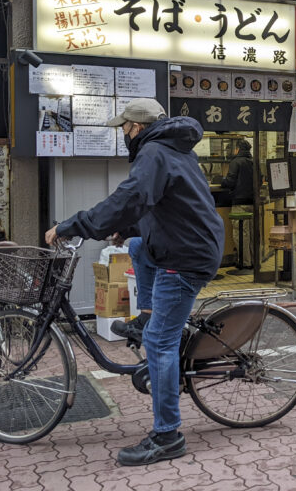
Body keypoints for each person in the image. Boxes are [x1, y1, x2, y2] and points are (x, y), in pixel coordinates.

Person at [44, 97, 224, 467]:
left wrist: (71, 225)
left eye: (124, 127)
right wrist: (124, 230)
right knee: (139, 246)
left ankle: (167, 435)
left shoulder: (155, 152)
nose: (123, 134)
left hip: (184, 257)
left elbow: (129, 198)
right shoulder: (174, 149)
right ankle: (147, 314)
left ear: (136, 128)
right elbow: (160, 203)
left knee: (160, 342)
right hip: (188, 244)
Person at [221, 138, 254, 269]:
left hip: (239, 202)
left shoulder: (236, 162)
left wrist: (222, 181)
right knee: (250, 234)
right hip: (253, 203)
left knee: (240, 234)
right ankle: (251, 261)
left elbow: (230, 181)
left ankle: (243, 262)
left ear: (238, 149)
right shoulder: (253, 162)